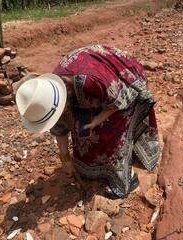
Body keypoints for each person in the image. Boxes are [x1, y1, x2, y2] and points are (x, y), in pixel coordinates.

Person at [16, 45, 160, 199]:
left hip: (125, 83)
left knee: (110, 130)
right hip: (97, 88)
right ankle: (95, 164)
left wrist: (96, 120)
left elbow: (117, 101)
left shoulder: (90, 81)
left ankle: (127, 179)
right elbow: (60, 126)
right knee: (82, 129)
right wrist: (65, 159)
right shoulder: (50, 93)